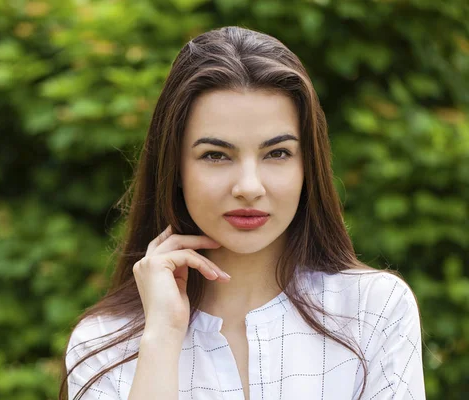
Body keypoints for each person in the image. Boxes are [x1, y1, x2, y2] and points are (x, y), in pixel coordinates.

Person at [59, 26, 425, 400]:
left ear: (307, 167)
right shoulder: (102, 345)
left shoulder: (372, 311)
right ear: (175, 170)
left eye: (277, 153)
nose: (249, 186)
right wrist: (161, 338)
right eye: (216, 155)